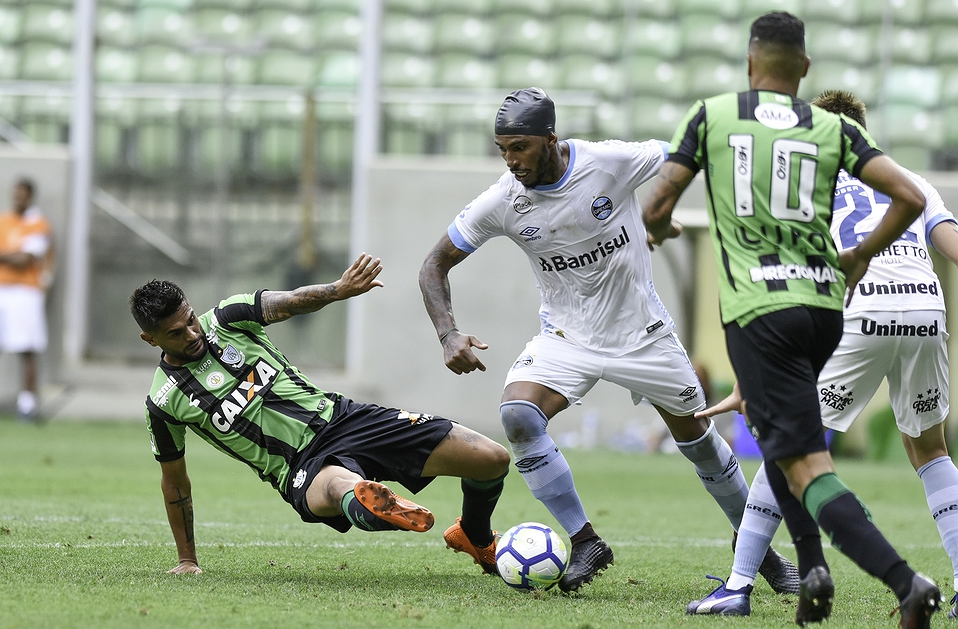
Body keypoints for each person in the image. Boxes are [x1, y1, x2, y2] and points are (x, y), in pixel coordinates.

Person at [419, 87, 798, 594]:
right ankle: (586, 541)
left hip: (643, 336)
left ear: (550, 139)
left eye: (520, 148)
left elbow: (687, 156)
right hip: (566, 338)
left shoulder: (609, 162)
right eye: (502, 149)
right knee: (518, 416)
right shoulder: (504, 201)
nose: (510, 160)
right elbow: (433, 264)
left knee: (698, 438)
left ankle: (754, 546)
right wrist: (448, 333)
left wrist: (662, 212)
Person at [642, 12, 941, 627]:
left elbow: (657, 204)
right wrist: (860, 254)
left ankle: (901, 582)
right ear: (804, 67)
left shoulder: (712, 116)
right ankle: (812, 570)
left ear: (750, 63)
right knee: (790, 439)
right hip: (829, 309)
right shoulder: (835, 131)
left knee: (803, 463)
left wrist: (661, 229)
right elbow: (910, 198)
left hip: (761, 308)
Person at [130, 253, 511, 575]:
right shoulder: (164, 401)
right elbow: (174, 482)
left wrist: (338, 290)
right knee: (339, 486)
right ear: (150, 339)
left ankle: (475, 536)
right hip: (300, 465)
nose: (192, 333)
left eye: (191, 319)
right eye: (176, 333)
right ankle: (371, 505)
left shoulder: (227, 318)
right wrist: (187, 559)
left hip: (345, 418)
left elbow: (290, 301)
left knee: (491, 459)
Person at [0, 178, 54, 421]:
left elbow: (24, 261)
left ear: (30, 196)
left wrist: (7, 256)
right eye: (15, 194)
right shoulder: (4, 221)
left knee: (26, 349)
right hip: (2, 289)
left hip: (26, 293)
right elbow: (15, 256)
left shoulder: (38, 224)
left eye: (22, 195)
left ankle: (27, 405)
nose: (17, 199)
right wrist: (11, 255)